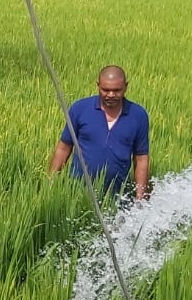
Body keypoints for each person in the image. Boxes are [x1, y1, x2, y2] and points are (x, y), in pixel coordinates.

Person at [49, 65, 150, 200]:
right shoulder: (80, 109)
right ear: (98, 86)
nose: (111, 95)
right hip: (77, 193)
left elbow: (141, 158)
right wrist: (51, 185)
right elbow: (63, 148)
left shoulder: (138, 115)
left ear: (126, 86)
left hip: (117, 196)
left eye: (117, 90)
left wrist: (140, 198)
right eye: (105, 90)